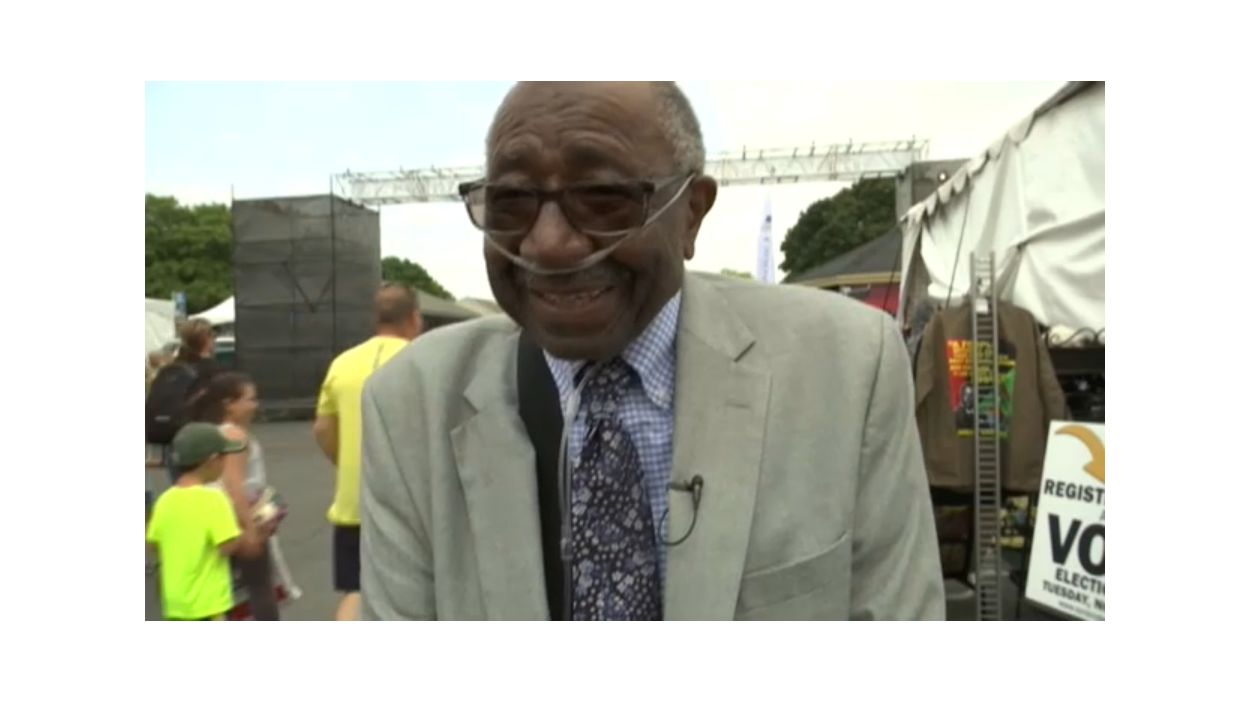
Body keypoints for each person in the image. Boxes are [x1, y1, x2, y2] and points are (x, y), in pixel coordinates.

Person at [358, 81, 944, 620]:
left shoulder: (847, 369)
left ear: (691, 213)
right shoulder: (410, 407)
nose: (549, 243)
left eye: (602, 197)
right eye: (511, 201)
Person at [314, 283, 422, 620]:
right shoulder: (424, 361)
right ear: (414, 318)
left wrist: (345, 461)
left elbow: (322, 429)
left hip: (353, 503)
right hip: (413, 505)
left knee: (356, 591)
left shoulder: (342, 363)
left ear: (375, 318)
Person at [146, 423, 274, 621]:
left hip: (175, 602)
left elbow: (153, 543)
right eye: (224, 456)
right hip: (208, 602)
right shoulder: (214, 500)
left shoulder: (165, 500)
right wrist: (255, 529)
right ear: (213, 460)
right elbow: (227, 545)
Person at [192, 372, 281, 620]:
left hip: (221, 518)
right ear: (229, 404)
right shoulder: (234, 436)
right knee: (259, 585)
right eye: (249, 399)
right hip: (237, 517)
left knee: (235, 584)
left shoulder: (216, 432)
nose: (255, 405)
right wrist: (249, 528)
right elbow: (233, 484)